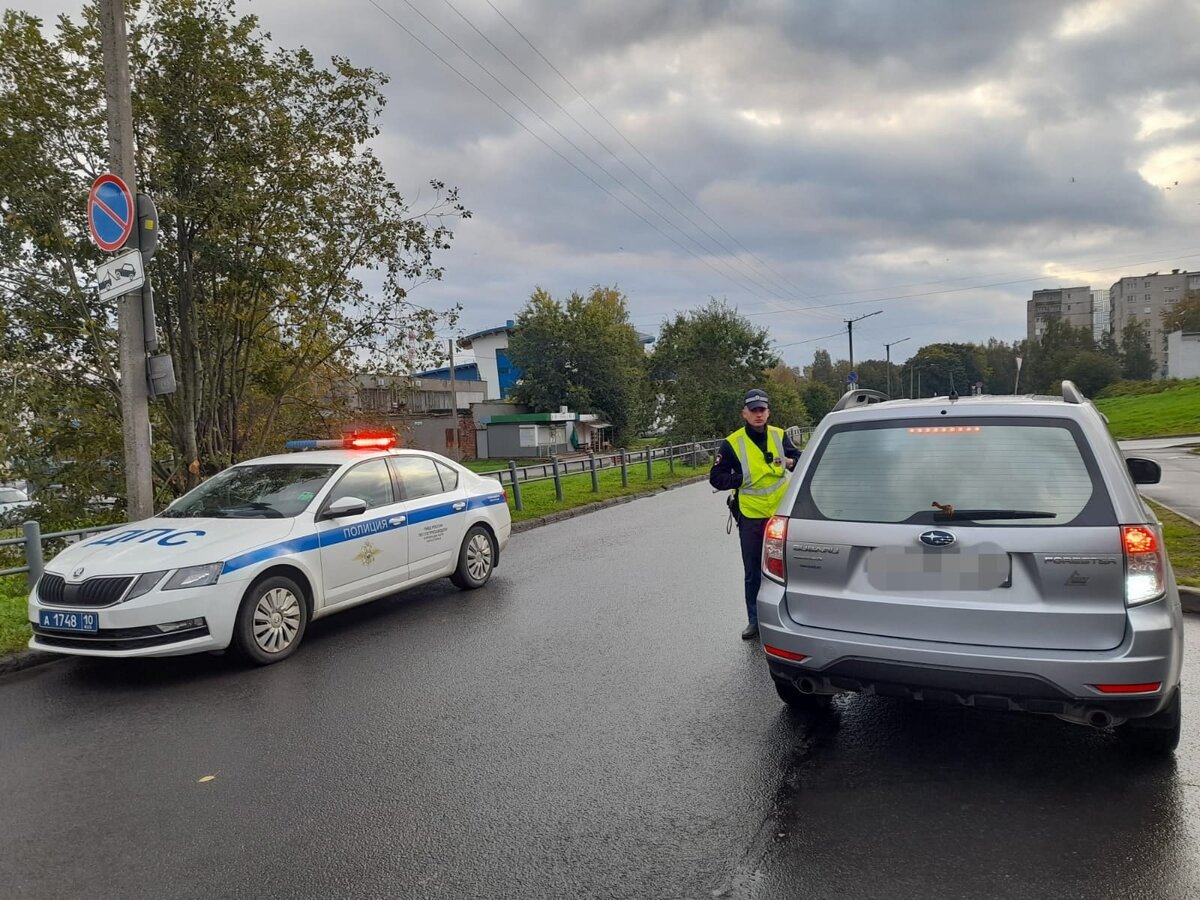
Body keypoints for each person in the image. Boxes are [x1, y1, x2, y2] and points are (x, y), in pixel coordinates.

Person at [709, 389, 802, 639]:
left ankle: (796, 615)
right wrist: (742, 479)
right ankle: (755, 621)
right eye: (753, 410)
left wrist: (790, 462)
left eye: (762, 410)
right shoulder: (732, 443)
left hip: (782, 516)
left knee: (790, 567)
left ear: (768, 411)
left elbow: (800, 460)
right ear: (745, 413)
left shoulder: (779, 435)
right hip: (752, 517)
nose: (758, 414)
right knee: (753, 571)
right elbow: (716, 478)